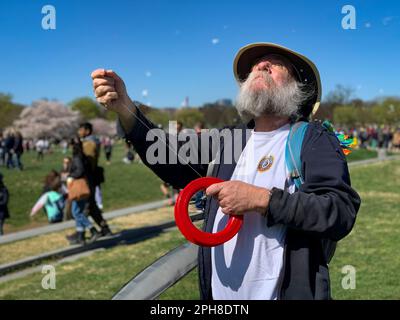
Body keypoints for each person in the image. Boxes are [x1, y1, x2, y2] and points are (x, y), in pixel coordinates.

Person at [91, 42, 361, 300]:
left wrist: (262, 200)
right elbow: (164, 153)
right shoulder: (231, 141)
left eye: (275, 65)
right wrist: (126, 107)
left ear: (297, 88)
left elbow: (340, 211)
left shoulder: (312, 139)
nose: (261, 66)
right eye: (256, 65)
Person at [77, 123, 111, 236]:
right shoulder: (91, 141)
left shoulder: (89, 143)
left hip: (88, 177)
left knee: (84, 206)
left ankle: (81, 233)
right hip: (91, 176)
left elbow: (88, 162)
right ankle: (105, 228)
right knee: (91, 206)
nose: (79, 131)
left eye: (81, 129)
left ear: (87, 131)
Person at [66, 141, 100, 245]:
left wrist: (70, 176)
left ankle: (93, 230)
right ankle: (80, 236)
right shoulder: (82, 157)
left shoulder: (77, 158)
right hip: (84, 186)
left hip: (78, 187)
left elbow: (80, 171)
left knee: (76, 212)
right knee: (78, 212)